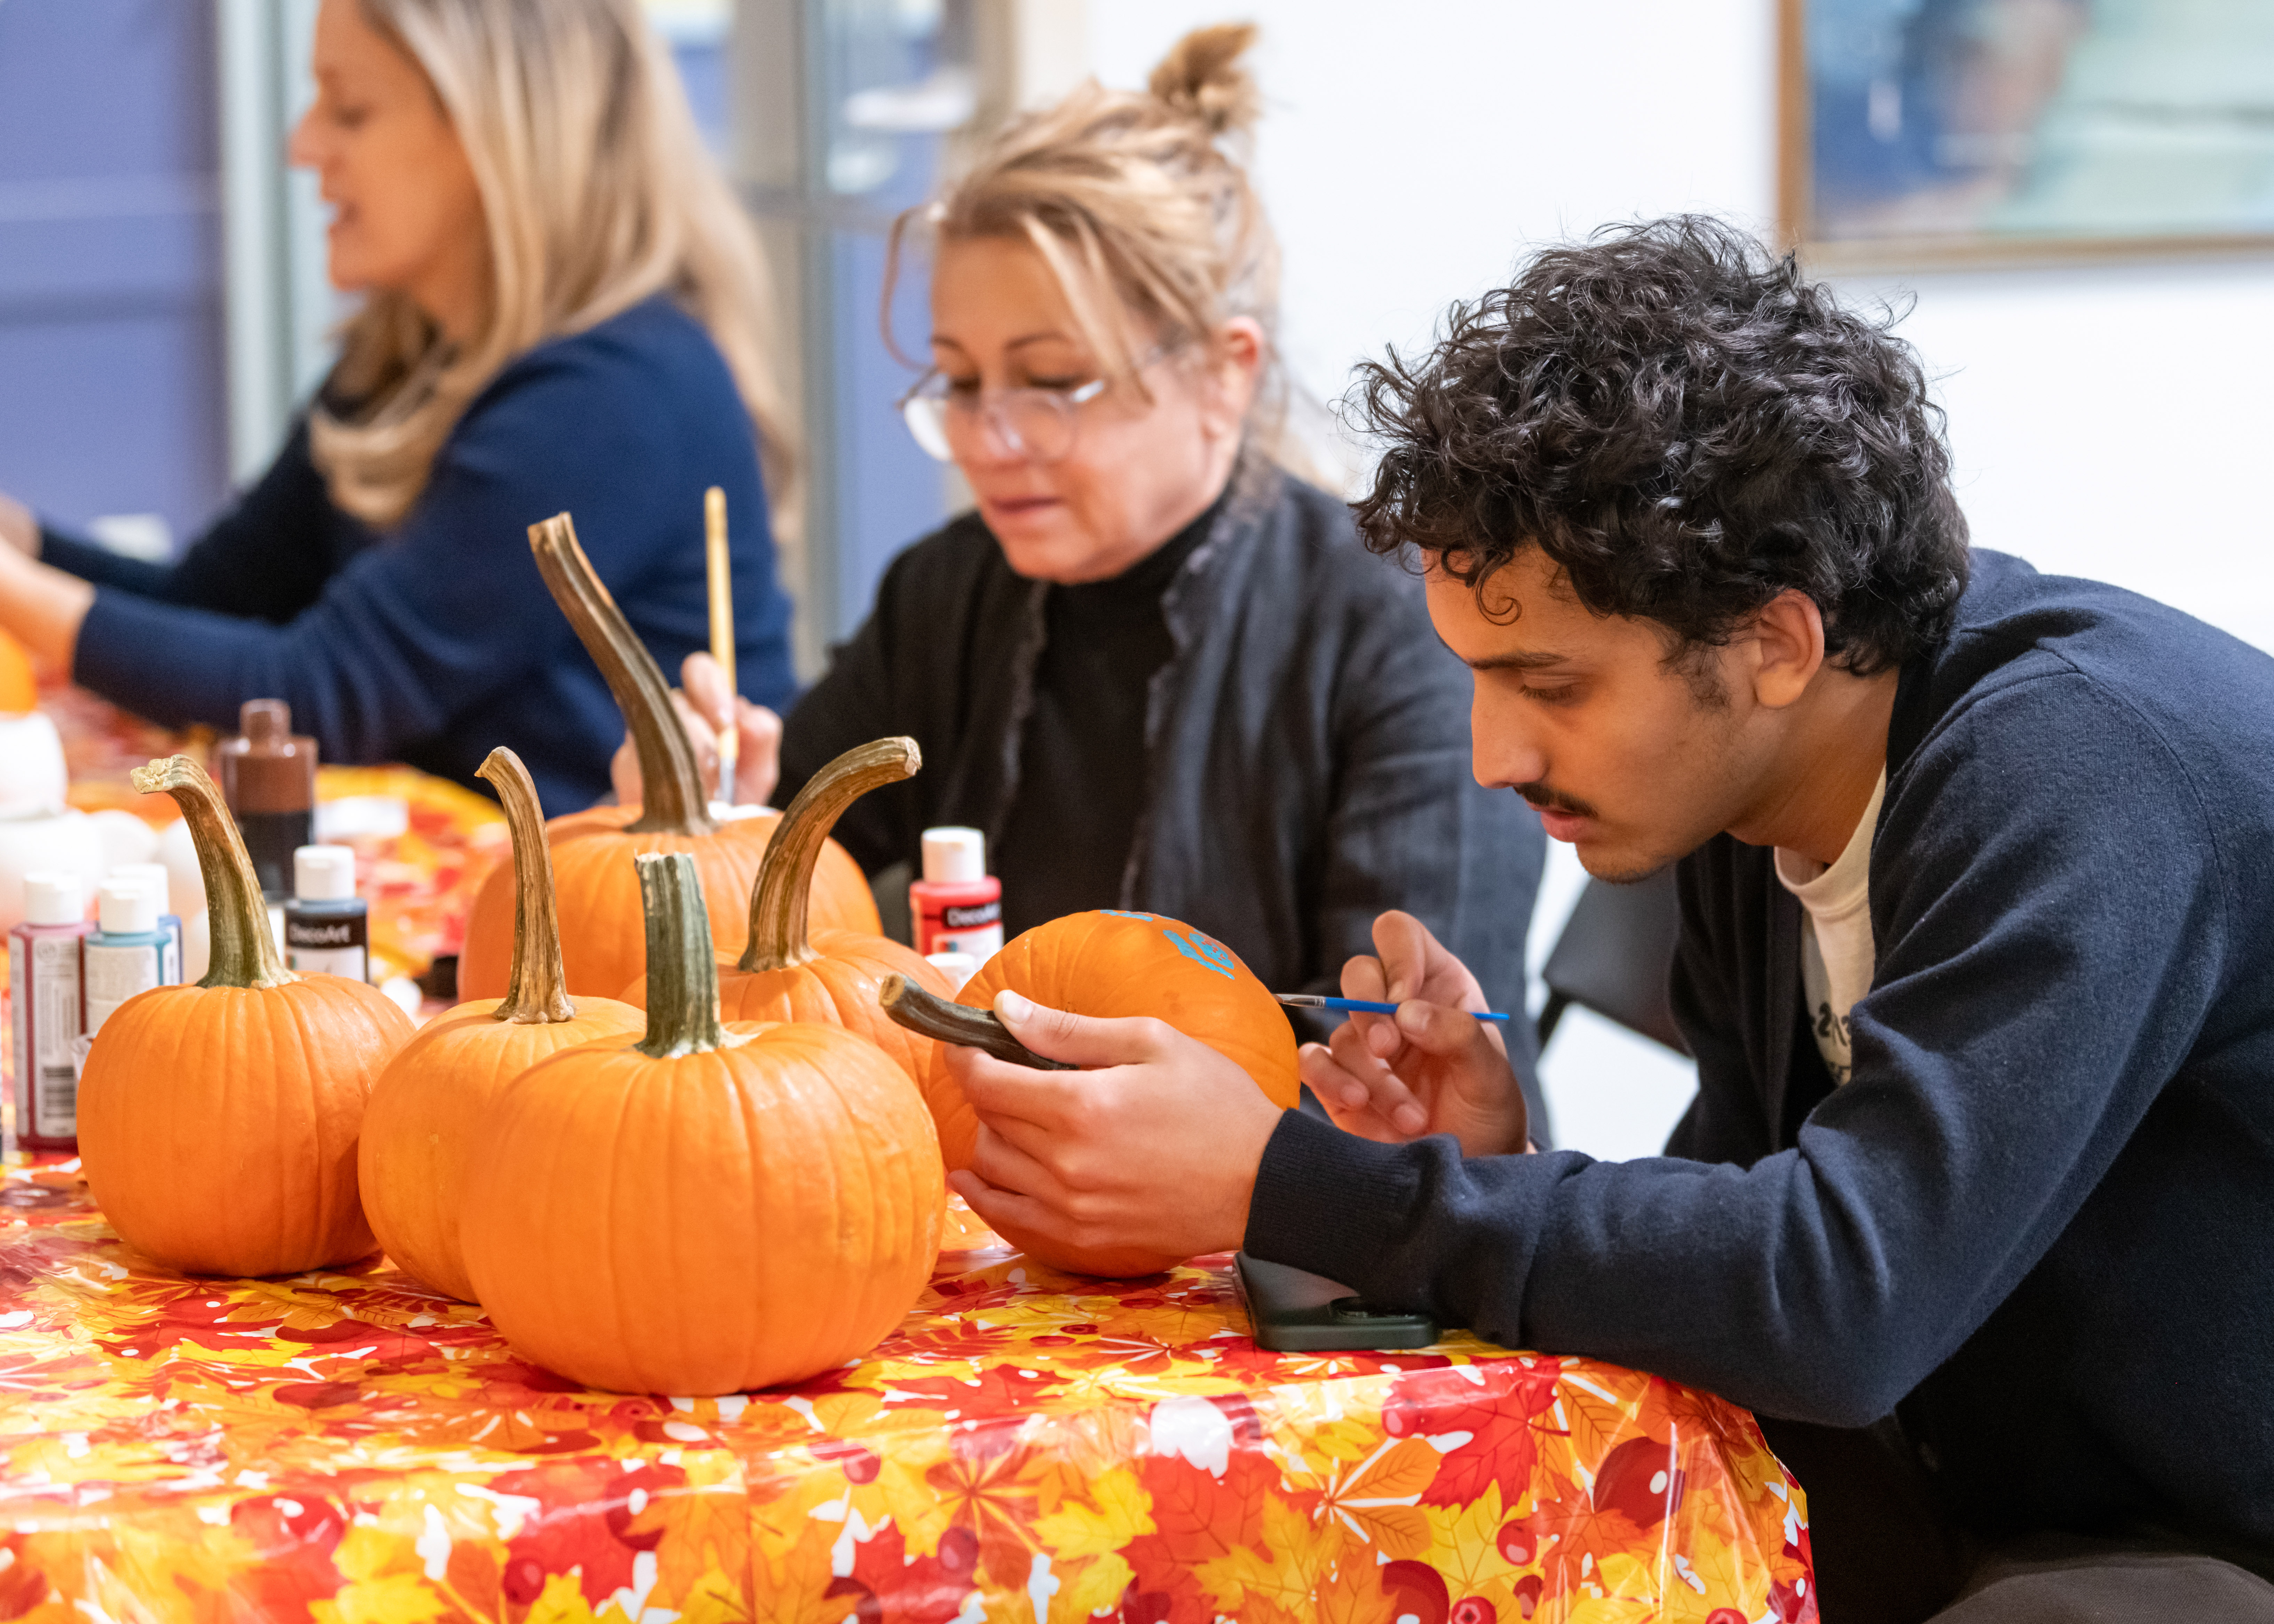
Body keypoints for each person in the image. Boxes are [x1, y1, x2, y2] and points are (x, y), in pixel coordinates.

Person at [938, 217, 2274, 1621]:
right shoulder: (1741, 800)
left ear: (1772, 641)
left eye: (1551, 687)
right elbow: (1757, 1237)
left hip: (2199, 1531)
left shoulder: (2076, 777)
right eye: (1476, 680)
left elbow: (1839, 1299)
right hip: (1979, 1475)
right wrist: (1496, 1160)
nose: (1491, 759)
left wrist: (1287, 1181)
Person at [624, 26, 1548, 1106]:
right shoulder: (948, 589)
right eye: (960, 384)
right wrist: (720, 824)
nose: (985, 439)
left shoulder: (1401, 634)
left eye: (1051, 382)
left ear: (1221, 373)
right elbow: (767, 926)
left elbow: (1425, 1091)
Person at [0, 0, 796, 814]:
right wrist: (22, 541)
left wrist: (13, 589)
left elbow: (315, 696)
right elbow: (215, 603)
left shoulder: (617, 396)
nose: (303, 145)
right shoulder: (405, 355)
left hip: (598, 914)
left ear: (495, 137)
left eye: (350, 109)